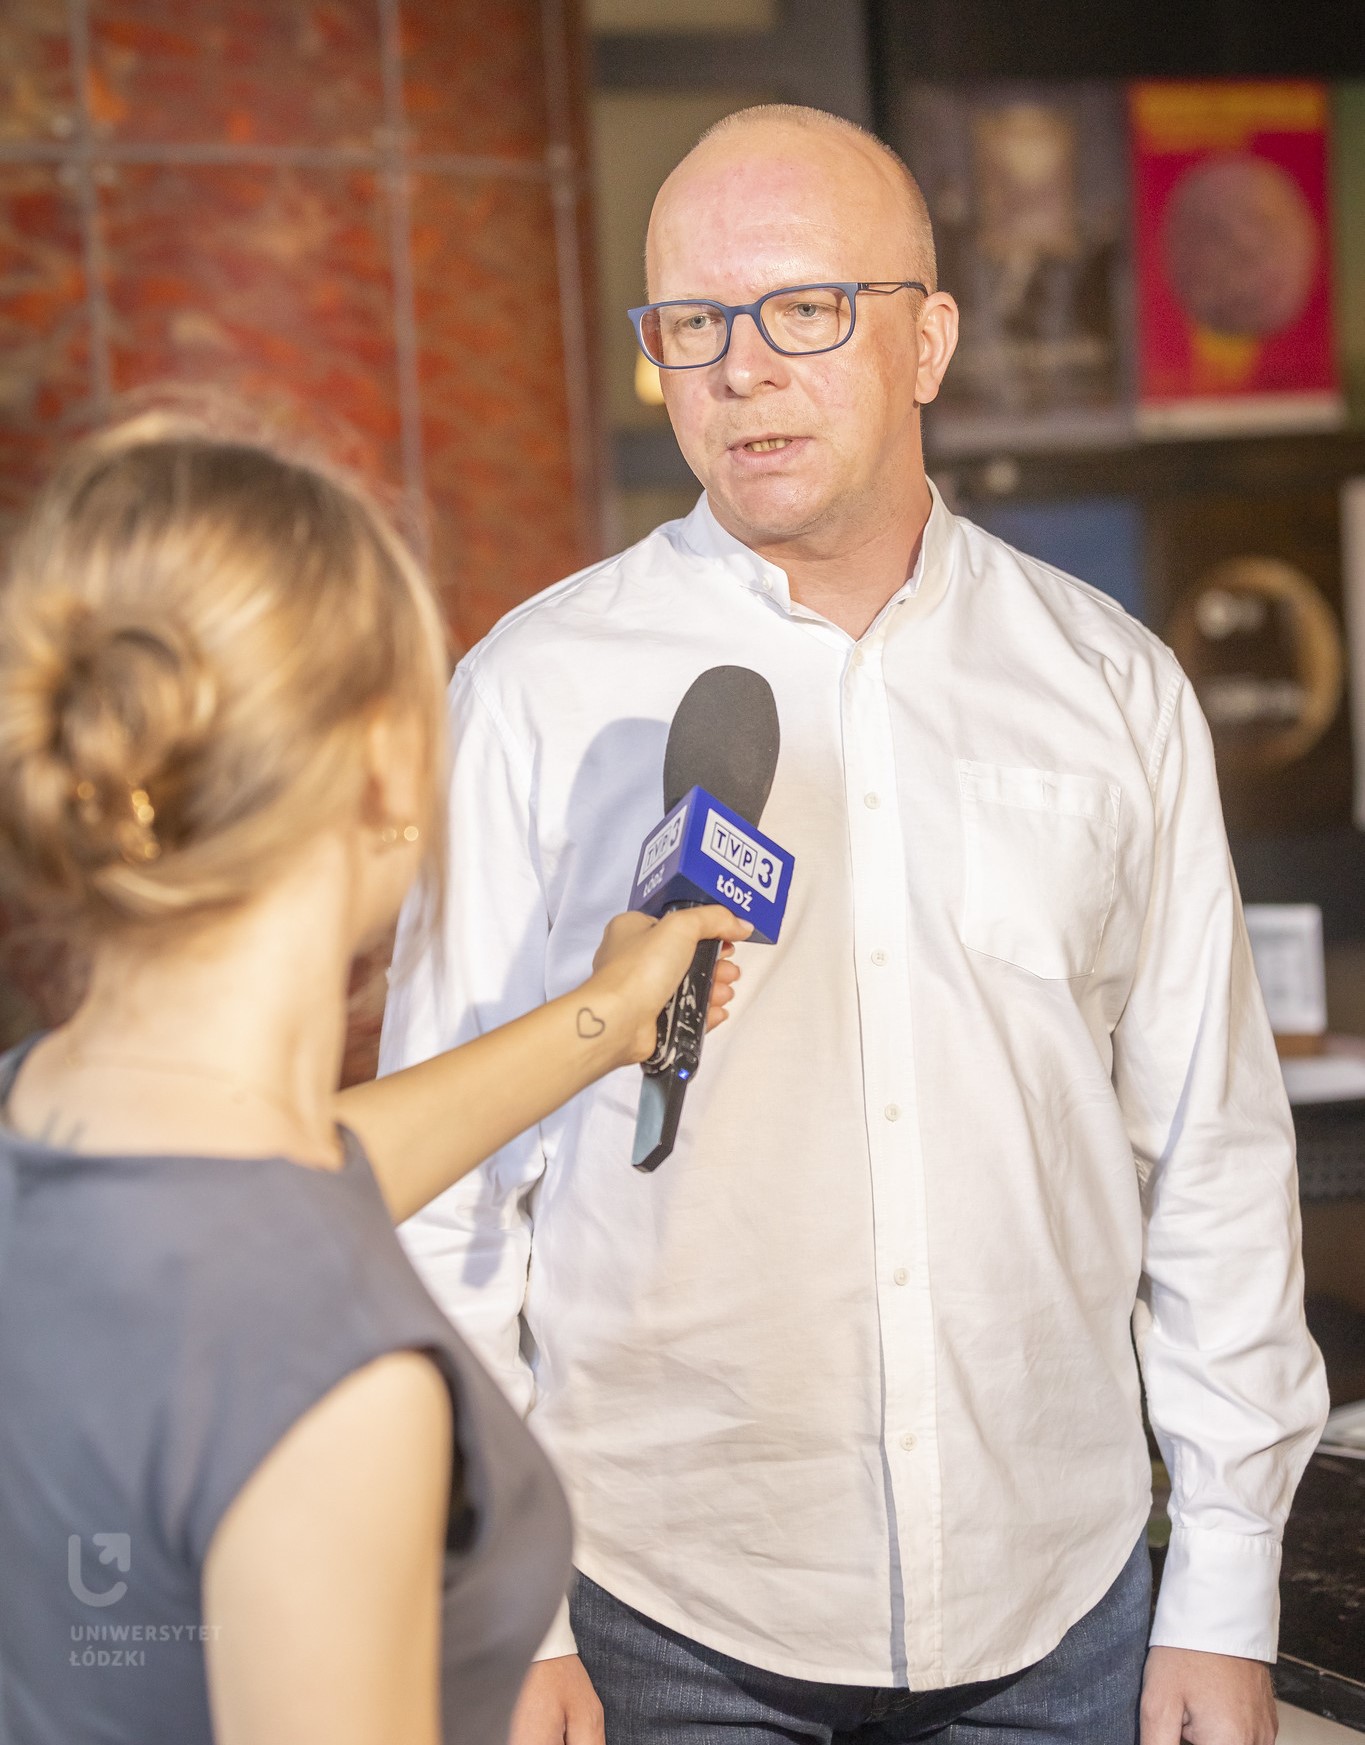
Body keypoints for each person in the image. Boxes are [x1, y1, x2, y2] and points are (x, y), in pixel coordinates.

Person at [381, 105, 1329, 1745]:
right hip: (659, 1619)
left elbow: (1213, 1155)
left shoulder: (1108, 685)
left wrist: (1227, 1580)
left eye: (802, 308)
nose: (740, 368)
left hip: (1066, 1608)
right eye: (690, 323)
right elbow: (447, 1204)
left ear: (928, 339)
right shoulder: (533, 696)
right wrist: (504, 1603)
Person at [0, 414, 749, 1745]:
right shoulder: (331, 1379)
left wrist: (600, 1017)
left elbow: (293, 1177)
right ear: (388, 765)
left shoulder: (49, 1122)